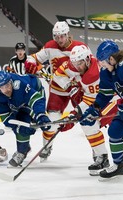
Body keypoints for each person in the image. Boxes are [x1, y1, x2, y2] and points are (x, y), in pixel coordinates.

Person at [59, 45, 123, 176]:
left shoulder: (122, 66)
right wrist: (92, 107)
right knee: (117, 131)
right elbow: (100, 95)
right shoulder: (101, 70)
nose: (77, 66)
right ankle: (111, 161)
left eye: (80, 63)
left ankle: (103, 157)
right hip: (121, 104)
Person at [24, 21, 87, 161]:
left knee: (88, 121)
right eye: (56, 36)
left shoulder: (80, 48)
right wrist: (30, 63)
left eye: (62, 36)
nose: (59, 40)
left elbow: (89, 67)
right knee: (51, 122)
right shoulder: (50, 46)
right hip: (58, 90)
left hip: (77, 89)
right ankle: (47, 146)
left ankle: (98, 153)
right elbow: (33, 58)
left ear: (68, 34)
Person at [0, 70, 51, 167]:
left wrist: (40, 115)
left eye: (7, 85)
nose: (6, 90)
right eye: (2, 87)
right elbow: (6, 117)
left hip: (35, 88)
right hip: (19, 102)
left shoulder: (20, 85)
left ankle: (47, 145)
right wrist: (18, 127)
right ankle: (23, 151)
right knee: (21, 121)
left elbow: (36, 99)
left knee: (36, 115)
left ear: (11, 82)